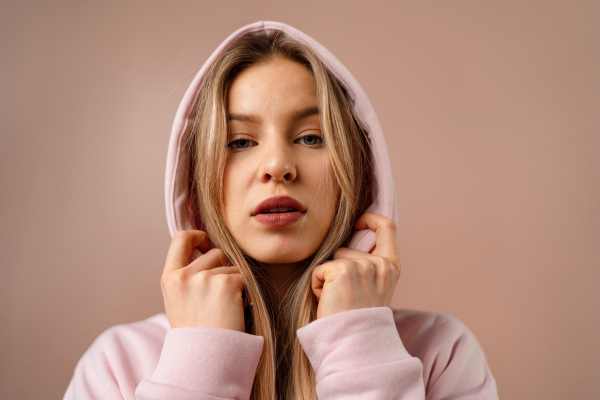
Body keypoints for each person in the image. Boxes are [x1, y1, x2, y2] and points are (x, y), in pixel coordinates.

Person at [64, 21, 498, 399]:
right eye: (239, 142)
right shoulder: (116, 364)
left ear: (358, 169)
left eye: (311, 137)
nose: (277, 167)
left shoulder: (441, 352)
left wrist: (362, 343)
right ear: (196, 180)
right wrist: (200, 357)